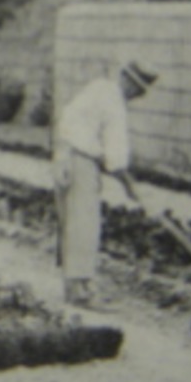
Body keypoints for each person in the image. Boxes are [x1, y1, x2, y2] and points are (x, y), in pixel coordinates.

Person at [52, 61, 158, 308]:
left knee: (70, 223)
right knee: (85, 225)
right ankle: (82, 293)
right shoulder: (115, 104)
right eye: (137, 91)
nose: (136, 97)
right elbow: (116, 160)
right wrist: (131, 188)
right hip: (81, 162)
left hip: (62, 156)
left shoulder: (98, 87)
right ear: (131, 84)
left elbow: (68, 119)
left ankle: (73, 288)